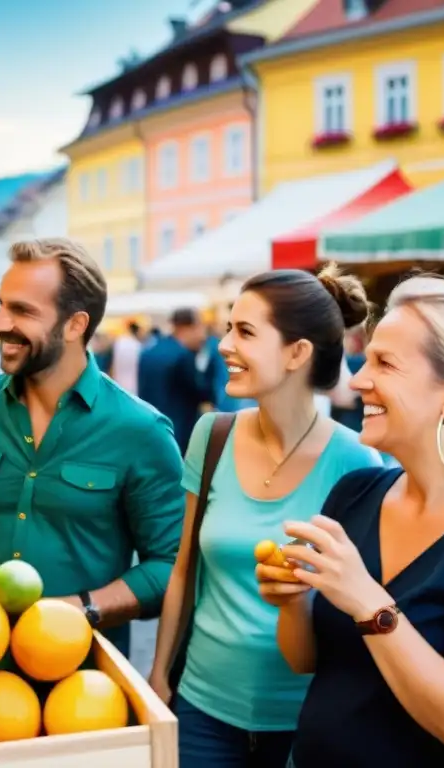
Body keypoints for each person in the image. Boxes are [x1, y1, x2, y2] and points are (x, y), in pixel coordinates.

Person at [258, 275, 444, 767]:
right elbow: (306, 661)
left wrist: (367, 601)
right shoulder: (356, 492)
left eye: (385, 363)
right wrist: (292, 605)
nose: (357, 380)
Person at [0, 237, 185, 656]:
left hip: (85, 683)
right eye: (1, 304)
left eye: (21, 311)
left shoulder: (140, 430)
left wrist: (81, 609)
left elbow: (171, 566)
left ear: (75, 325)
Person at [148, 267, 383, 768]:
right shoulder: (211, 435)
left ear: (298, 353)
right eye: (229, 328)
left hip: (306, 719)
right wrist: (159, 675)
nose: (225, 345)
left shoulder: (357, 461)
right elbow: (183, 567)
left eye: (245, 332)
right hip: (201, 709)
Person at [139, 308, 213, 453]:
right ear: (186, 328)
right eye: (200, 328)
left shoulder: (149, 352)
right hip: (178, 432)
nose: (203, 336)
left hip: (150, 429)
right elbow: (199, 391)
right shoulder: (184, 356)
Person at [110, 321, 144, 395]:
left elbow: (112, 364)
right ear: (137, 331)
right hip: (134, 384)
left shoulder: (119, 342)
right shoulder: (138, 346)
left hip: (118, 381)